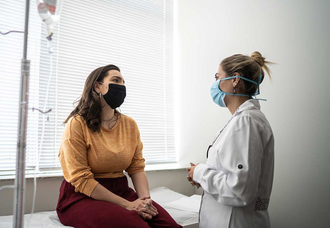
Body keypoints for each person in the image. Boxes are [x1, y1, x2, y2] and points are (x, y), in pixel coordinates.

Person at [56, 64, 181, 228]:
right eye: (115, 80)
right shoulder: (77, 124)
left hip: (121, 191)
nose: (121, 86)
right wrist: (128, 205)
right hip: (82, 196)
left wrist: (145, 201)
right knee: (136, 225)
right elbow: (81, 178)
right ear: (97, 86)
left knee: (169, 225)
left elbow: (136, 167)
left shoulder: (129, 124)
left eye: (123, 82)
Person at [187, 52, 275, 228]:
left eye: (217, 77)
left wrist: (199, 172)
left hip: (236, 221)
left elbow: (239, 191)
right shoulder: (242, 120)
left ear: (235, 80)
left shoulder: (246, 122)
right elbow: (234, 175)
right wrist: (203, 178)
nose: (215, 83)